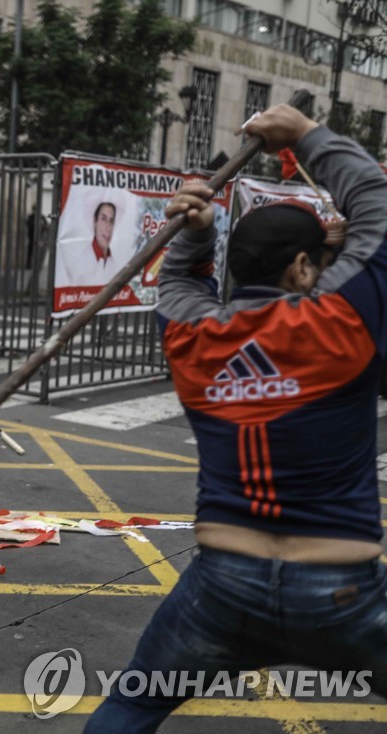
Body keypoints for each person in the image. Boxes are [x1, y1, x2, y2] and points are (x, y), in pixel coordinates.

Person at [85, 105, 387, 732]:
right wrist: (305, 135)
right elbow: (377, 207)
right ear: (302, 268)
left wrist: (195, 231)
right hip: (339, 590)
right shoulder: (344, 322)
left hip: (221, 584)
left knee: (132, 704)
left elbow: (179, 279)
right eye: (320, 263)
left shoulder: (190, 334)